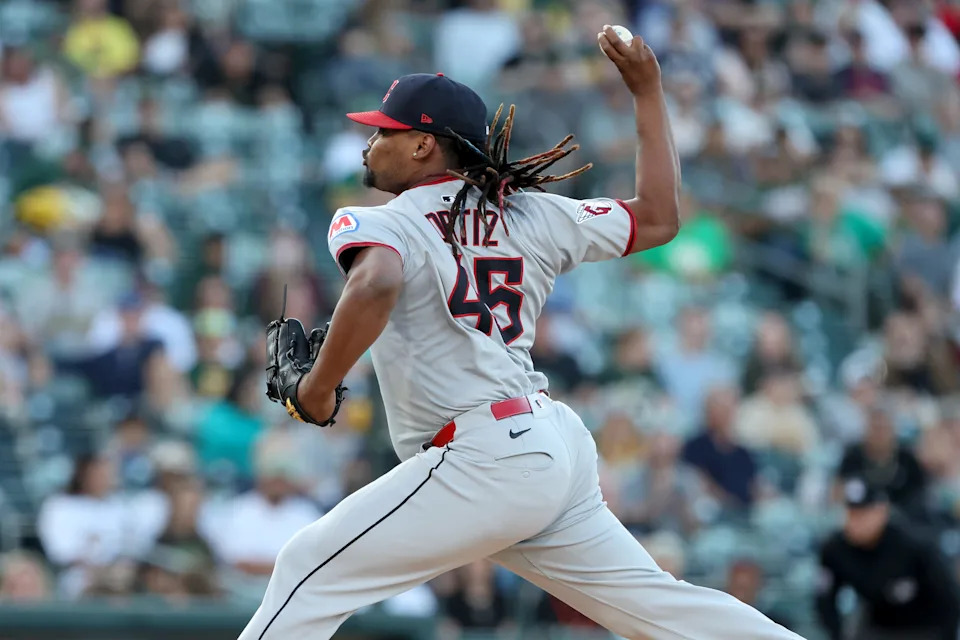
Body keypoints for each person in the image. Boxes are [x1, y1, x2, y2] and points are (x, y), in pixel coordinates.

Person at [243, 28, 801, 640]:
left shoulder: (381, 220)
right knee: (659, 610)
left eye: (384, 132)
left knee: (306, 568)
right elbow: (661, 217)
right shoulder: (532, 213)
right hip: (546, 445)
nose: (371, 143)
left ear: (425, 144)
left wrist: (320, 388)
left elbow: (375, 284)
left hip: (483, 456)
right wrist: (647, 90)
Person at [816, 477, 960, 640]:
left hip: (923, 628)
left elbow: (949, 597)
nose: (855, 522)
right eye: (851, 514)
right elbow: (825, 600)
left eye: (864, 514)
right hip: (877, 628)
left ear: (881, 512)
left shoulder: (913, 545)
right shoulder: (835, 549)